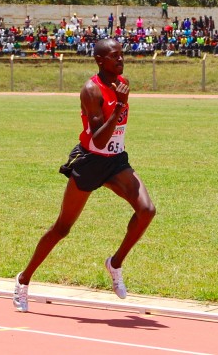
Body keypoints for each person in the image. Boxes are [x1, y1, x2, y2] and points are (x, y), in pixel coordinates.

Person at [13, 38, 156, 313]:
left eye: (122, 55)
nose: (121, 60)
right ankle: (23, 280)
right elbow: (99, 140)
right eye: (115, 56)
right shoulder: (91, 90)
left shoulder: (122, 83)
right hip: (91, 161)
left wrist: (121, 102)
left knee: (147, 211)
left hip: (115, 161)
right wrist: (118, 107)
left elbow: (112, 143)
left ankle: (114, 264)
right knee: (62, 228)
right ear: (100, 61)